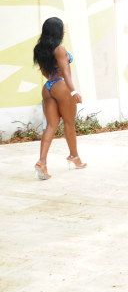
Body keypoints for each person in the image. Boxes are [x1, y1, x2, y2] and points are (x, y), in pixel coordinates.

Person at [32, 17, 85, 179]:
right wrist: (73, 92)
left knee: (51, 125)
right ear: (58, 31)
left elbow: (44, 71)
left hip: (47, 87)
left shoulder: (39, 49)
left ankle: (42, 162)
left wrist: (53, 81)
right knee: (69, 123)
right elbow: (66, 72)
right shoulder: (59, 49)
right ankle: (74, 157)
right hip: (61, 86)